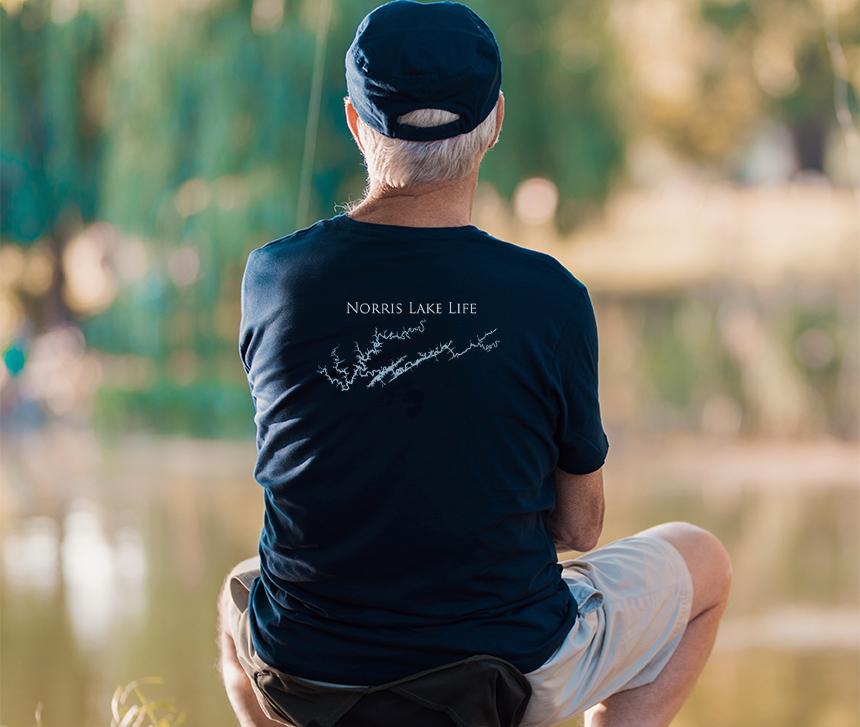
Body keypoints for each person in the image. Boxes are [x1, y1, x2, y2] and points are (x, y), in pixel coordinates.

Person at [217, 2, 733, 725]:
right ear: (495, 121)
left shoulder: (273, 278)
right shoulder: (550, 296)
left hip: (306, 673)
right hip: (504, 671)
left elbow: (318, 481)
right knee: (703, 561)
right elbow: (582, 527)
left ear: (356, 122)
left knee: (237, 596)